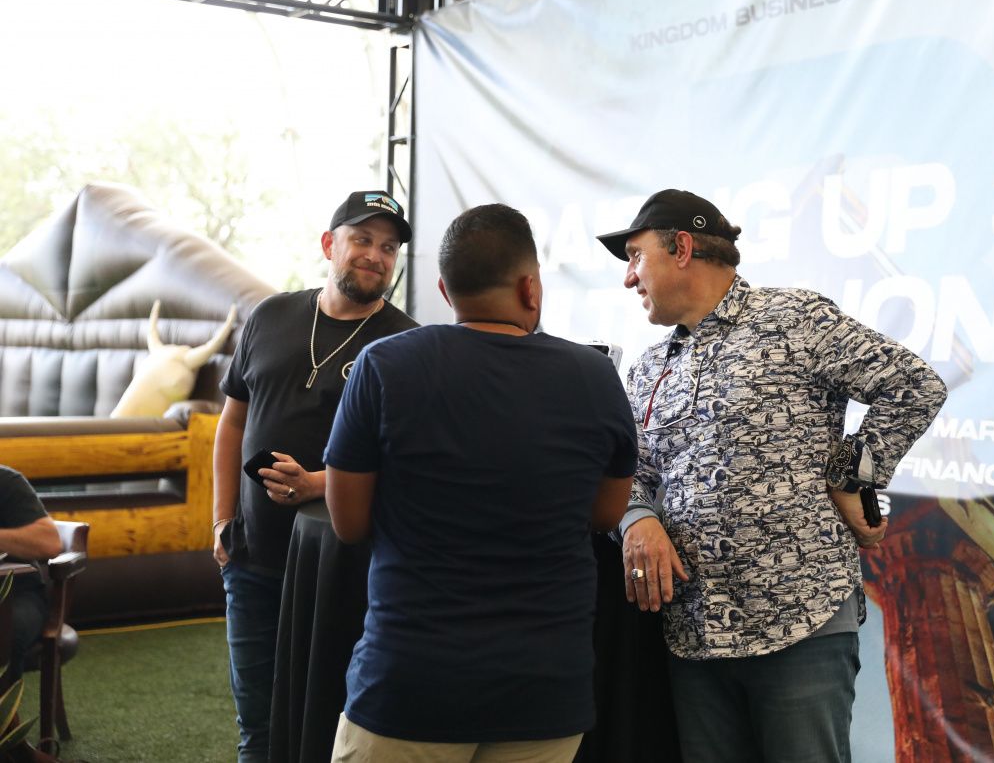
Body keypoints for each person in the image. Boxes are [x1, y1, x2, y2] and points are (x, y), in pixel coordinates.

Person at [594, 188, 948, 763]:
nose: (629, 277)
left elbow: (914, 386)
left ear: (681, 248)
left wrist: (850, 477)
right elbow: (629, 467)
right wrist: (637, 519)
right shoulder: (648, 367)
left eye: (636, 256)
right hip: (696, 635)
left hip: (800, 622)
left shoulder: (794, 319)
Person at [324, 203, 637, 763]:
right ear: (530, 288)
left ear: (445, 291)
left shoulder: (382, 365)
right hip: (545, 687)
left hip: (409, 682)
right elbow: (606, 516)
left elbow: (348, 523)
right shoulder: (595, 376)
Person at [211, 190, 418, 763]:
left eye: (389, 247)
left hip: (347, 569)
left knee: (332, 726)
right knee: (258, 730)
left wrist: (319, 483)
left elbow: (406, 460)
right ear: (330, 244)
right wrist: (221, 521)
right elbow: (231, 423)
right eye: (362, 240)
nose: (376, 255)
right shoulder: (270, 315)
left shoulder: (407, 344)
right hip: (253, 561)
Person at [0, 466, 63, 688]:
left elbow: (49, 543)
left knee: (4, 628)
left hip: (16, 594)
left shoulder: (6, 481)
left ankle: (5, 709)